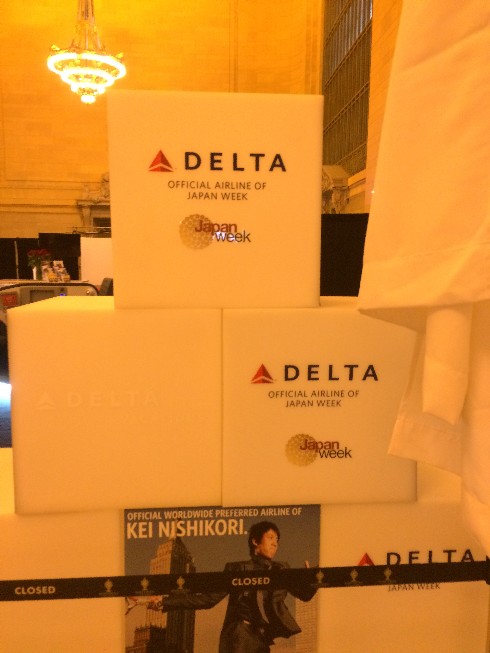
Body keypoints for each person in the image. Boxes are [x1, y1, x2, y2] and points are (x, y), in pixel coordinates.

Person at [147, 520, 316, 653]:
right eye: (270, 538)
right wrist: (164, 602)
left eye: (277, 540)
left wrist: (312, 578)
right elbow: (208, 599)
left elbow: (305, 595)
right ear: (255, 541)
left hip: (263, 639)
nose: (275, 543)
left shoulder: (281, 570)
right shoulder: (237, 569)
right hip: (240, 635)